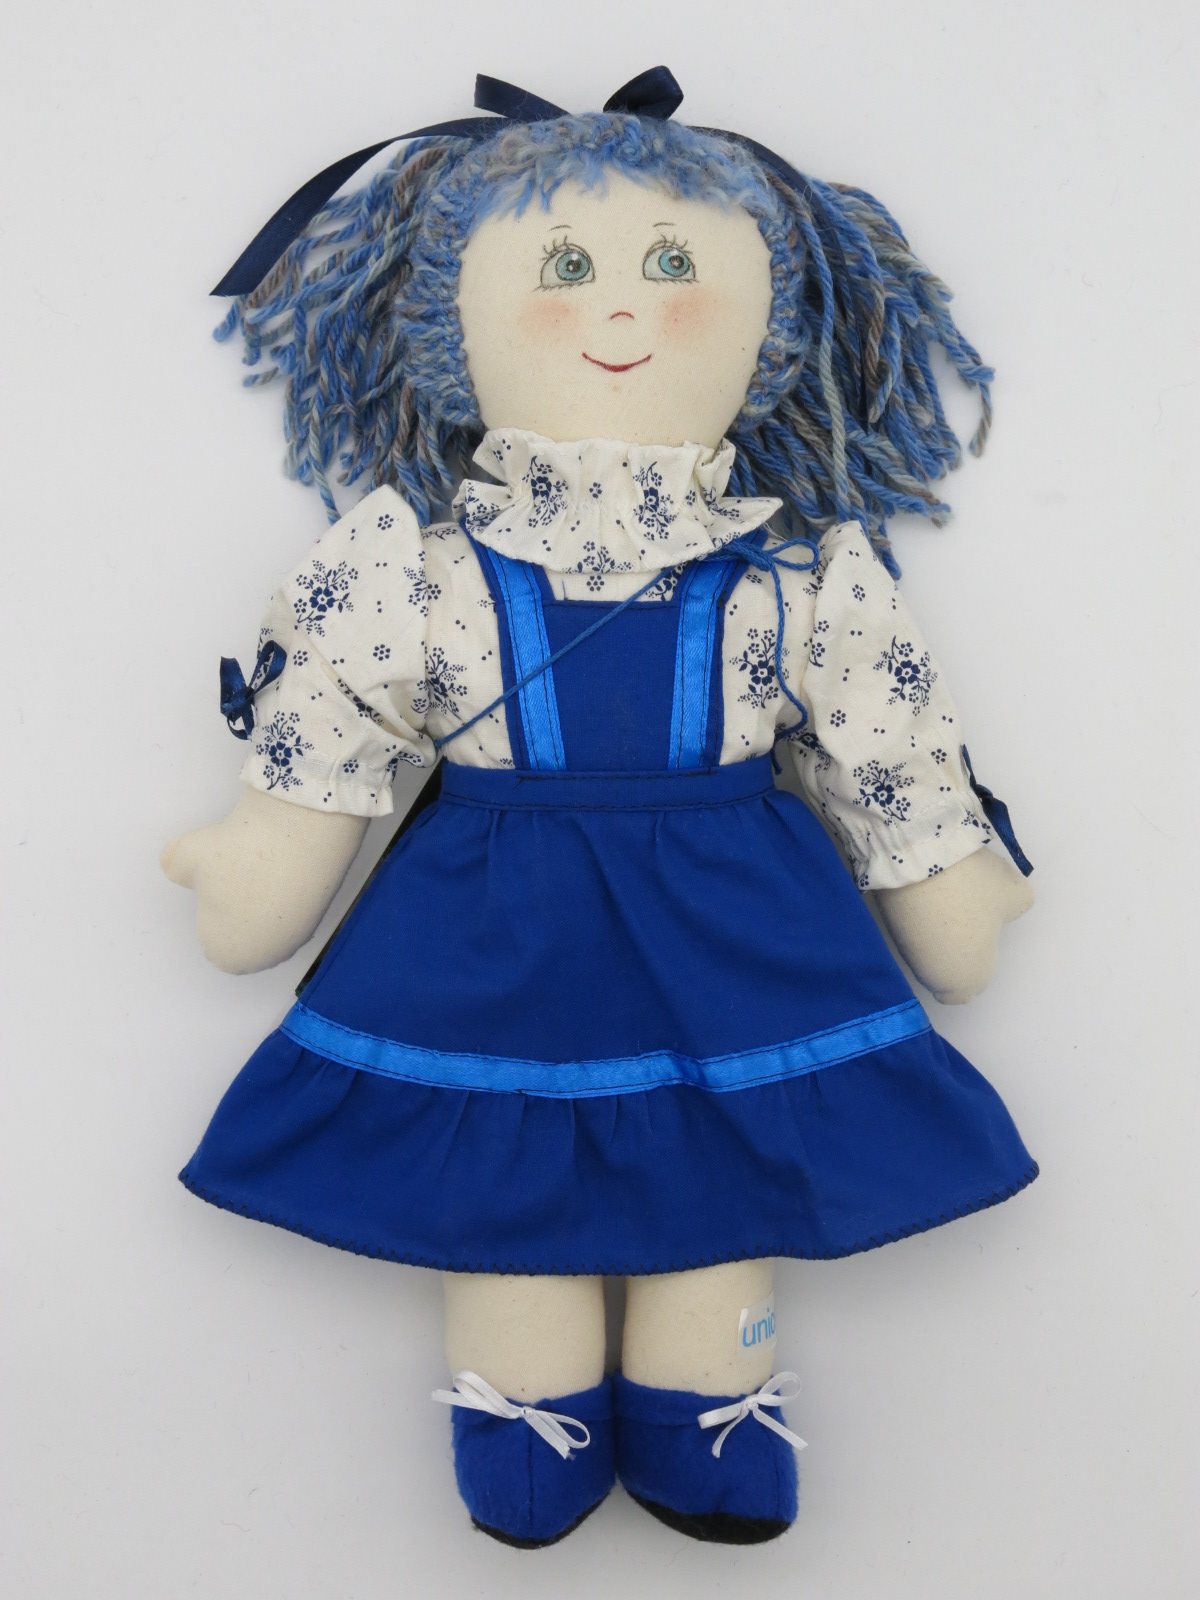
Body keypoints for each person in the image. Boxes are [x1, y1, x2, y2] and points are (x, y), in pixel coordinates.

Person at [163, 85, 1037, 1548]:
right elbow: (342, 714)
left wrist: (952, 885)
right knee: (501, 1174)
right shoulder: (418, 567)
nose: (620, 310)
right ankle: (528, 1408)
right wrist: (262, 862)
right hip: (492, 922)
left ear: (772, 324)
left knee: (729, 1164)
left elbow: (880, 739)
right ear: (453, 324)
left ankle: (710, 1407)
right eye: (564, 269)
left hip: (737, 922)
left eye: (673, 266)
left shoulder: (793, 579)